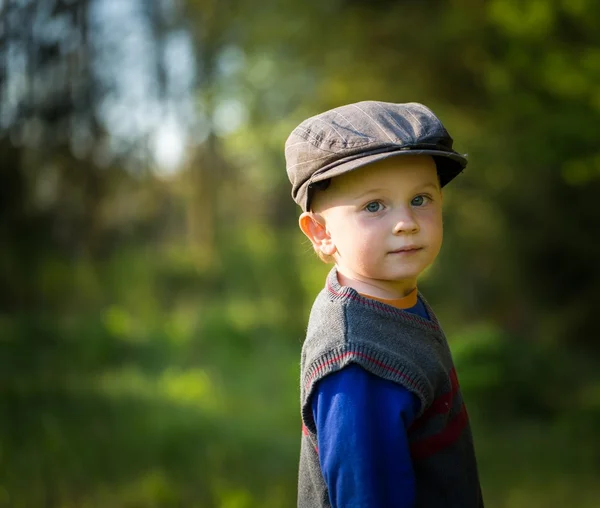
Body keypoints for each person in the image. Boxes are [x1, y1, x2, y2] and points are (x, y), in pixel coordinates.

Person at [284, 101, 484, 508]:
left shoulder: (394, 299)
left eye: (421, 199)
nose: (405, 222)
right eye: (374, 206)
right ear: (321, 232)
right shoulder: (358, 360)